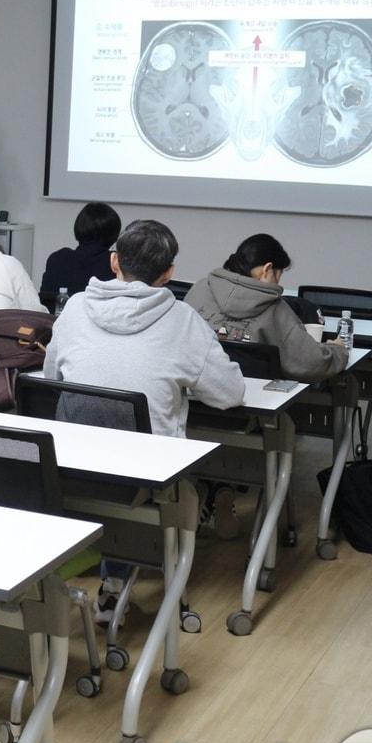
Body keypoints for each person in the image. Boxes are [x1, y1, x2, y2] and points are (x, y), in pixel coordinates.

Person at [43, 219, 244, 614]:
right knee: (178, 474)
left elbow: (52, 377)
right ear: (169, 273)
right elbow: (229, 394)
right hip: (145, 482)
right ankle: (148, 582)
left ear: (114, 262)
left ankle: (114, 580)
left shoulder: (76, 307)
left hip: (69, 472)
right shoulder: (183, 320)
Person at [186, 234, 348, 383]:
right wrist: (337, 350)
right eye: (279, 274)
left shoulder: (199, 289)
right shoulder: (275, 309)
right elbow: (310, 363)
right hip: (257, 407)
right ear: (267, 269)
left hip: (193, 396)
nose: (278, 282)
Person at [41, 201, 121, 297]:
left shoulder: (57, 258)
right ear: (114, 235)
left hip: (60, 312)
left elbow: (45, 301)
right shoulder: (117, 263)